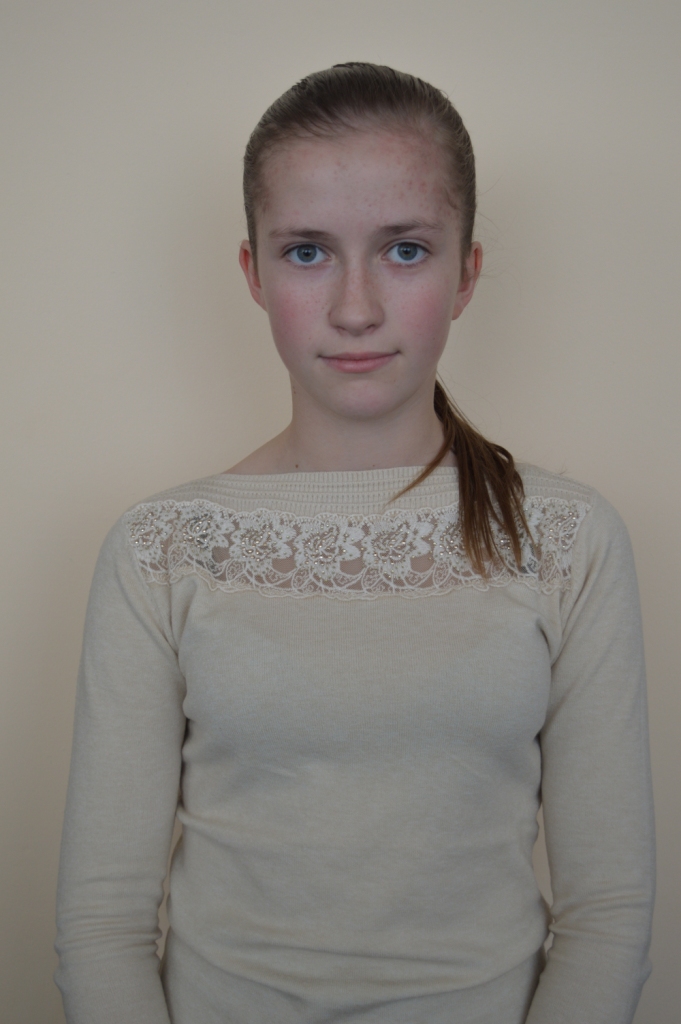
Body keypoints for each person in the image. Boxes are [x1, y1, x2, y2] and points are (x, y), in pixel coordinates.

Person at [55, 63, 655, 1024]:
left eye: (405, 251)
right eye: (307, 253)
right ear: (252, 273)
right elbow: (103, 925)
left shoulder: (565, 539)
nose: (355, 307)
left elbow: (607, 915)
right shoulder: (160, 550)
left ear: (466, 274)